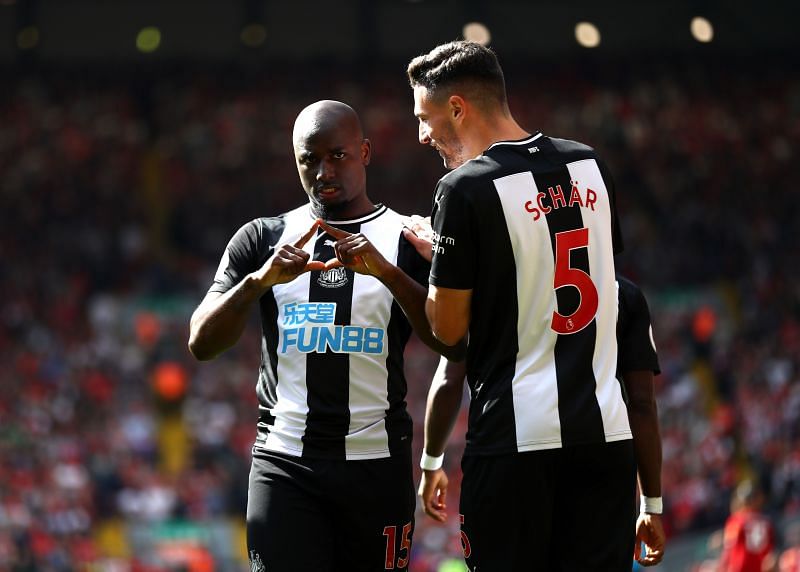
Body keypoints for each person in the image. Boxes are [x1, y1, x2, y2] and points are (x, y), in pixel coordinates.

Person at [404, 40, 653, 570]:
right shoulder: (590, 165)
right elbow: (585, 273)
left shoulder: (463, 189)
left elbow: (448, 332)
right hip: (604, 439)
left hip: (515, 443)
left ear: (457, 108)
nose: (422, 134)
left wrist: (436, 265)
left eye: (425, 117)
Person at [188, 100, 462, 572]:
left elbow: (452, 342)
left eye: (337, 155)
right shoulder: (262, 238)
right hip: (285, 463)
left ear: (366, 153)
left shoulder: (408, 238)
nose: (323, 170)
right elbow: (201, 342)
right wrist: (258, 283)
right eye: (309, 159)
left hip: (376, 463)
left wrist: (387, 272)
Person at [414, 271, 667, 568]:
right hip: (601, 451)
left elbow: (448, 379)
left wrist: (431, 462)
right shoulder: (624, 293)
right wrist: (651, 504)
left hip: (509, 450)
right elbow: (642, 405)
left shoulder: (491, 288)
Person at [718, 480, 776, 572]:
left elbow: (729, 546)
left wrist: (722, 566)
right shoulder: (766, 521)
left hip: (742, 566)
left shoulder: (737, 520)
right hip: (760, 567)